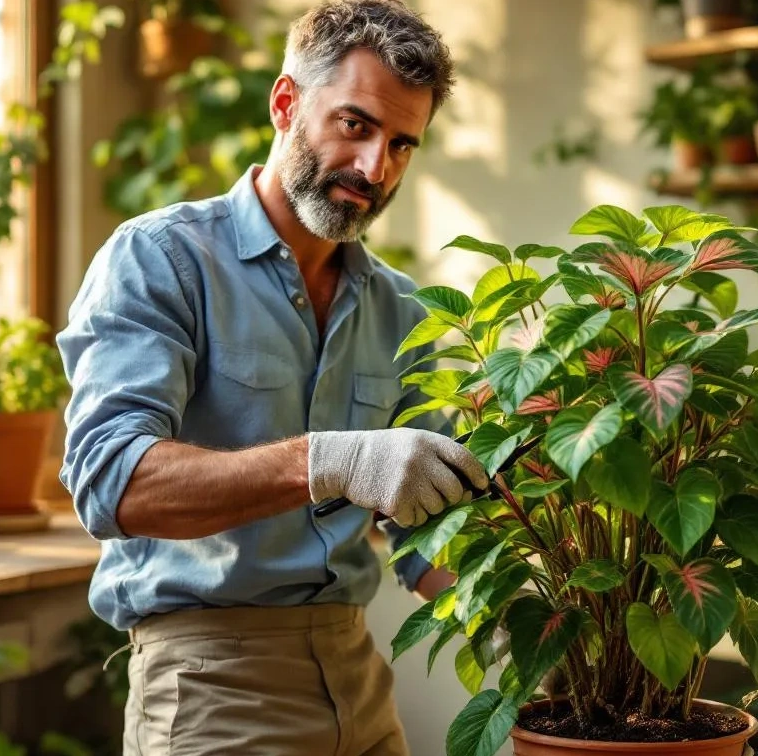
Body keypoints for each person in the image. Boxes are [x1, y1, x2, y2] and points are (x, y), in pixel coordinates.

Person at [55, 2, 485, 754]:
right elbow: (111, 481)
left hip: (361, 680)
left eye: (402, 144)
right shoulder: (162, 260)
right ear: (286, 104)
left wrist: (545, 614)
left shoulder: (402, 308)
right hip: (209, 681)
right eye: (355, 125)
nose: (374, 169)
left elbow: (426, 532)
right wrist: (334, 460)